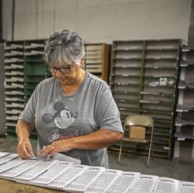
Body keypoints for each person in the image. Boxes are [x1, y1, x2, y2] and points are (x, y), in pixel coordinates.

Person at [16, 29, 124, 168]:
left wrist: (69, 142)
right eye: (54, 68)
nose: (58, 75)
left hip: (87, 173)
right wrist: (23, 139)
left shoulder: (98, 89)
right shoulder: (43, 88)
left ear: (81, 61)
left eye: (65, 68)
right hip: (47, 170)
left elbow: (114, 133)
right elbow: (25, 120)